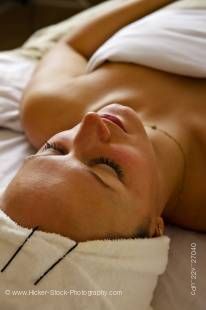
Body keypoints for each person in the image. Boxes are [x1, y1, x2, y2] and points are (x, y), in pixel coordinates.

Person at [0, 0, 206, 242]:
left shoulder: (47, 110)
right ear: (154, 228)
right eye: (107, 166)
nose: (89, 122)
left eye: (55, 149)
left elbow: (72, 46)